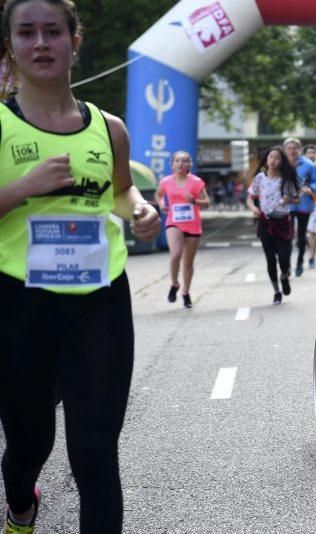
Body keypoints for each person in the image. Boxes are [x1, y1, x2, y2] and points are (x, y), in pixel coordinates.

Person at [0, 1, 161, 531]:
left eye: (53, 31)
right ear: (11, 46)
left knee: (95, 450)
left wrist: (140, 209)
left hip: (99, 299)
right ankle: (21, 504)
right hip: (18, 303)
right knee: (29, 442)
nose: (41, 43)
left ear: (75, 40)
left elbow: (120, 190)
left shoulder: (108, 128)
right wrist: (25, 187)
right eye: (27, 33)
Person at [154, 151, 210, 309]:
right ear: (172, 164)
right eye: (178, 161)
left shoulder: (196, 182)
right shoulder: (166, 182)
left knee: (187, 263)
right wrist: (161, 204)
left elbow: (207, 203)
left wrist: (194, 200)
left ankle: (186, 292)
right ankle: (174, 284)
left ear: (189, 165)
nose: (181, 164)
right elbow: (158, 194)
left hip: (192, 225)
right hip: (174, 222)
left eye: (185, 161)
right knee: (175, 254)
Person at [246, 146, 300, 304]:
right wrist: (253, 208)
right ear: (266, 160)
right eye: (271, 157)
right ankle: (276, 291)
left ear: (281, 161)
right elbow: (250, 197)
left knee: (284, 258)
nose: (273, 160)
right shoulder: (259, 178)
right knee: (270, 259)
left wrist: (289, 200)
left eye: (277, 158)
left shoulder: (286, 179)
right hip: (265, 222)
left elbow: (296, 198)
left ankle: (284, 276)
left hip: (283, 222)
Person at [283, 137, 316, 277]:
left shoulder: (308, 165)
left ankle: (300, 261)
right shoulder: (280, 164)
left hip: (303, 205)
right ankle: (286, 266)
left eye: (294, 148)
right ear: (285, 149)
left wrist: (310, 188)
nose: (292, 151)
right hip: (285, 205)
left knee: (301, 236)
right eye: (289, 148)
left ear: (299, 149)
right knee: (287, 236)